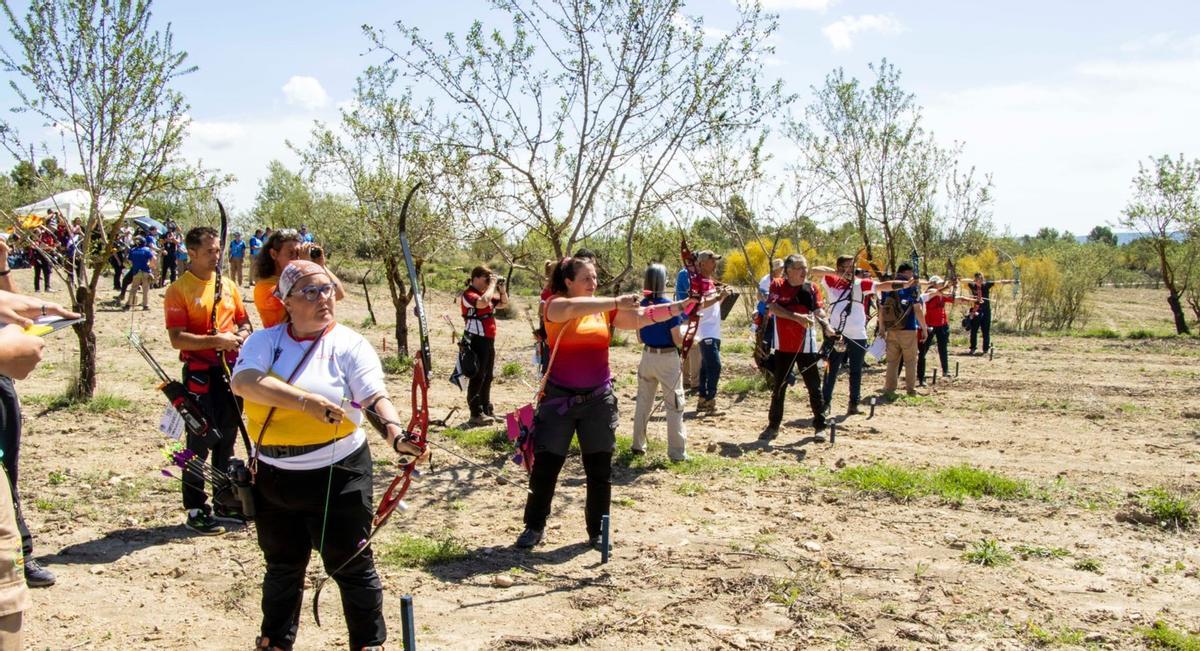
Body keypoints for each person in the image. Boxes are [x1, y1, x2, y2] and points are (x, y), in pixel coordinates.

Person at [231, 260, 424, 651]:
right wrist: (305, 402)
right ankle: (275, 642)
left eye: (327, 290)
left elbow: (372, 397)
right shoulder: (263, 342)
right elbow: (245, 381)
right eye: (311, 291)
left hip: (338, 472)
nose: (325, 298)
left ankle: (369, 644)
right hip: (273, 474)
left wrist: (397, 434)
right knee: (283, 566)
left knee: (351, 564)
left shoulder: (349, 344)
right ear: (286, 302)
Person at [516, 256, 693, 550]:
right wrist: (615, 301)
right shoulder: (553, 305)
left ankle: (598, 530)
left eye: (595, 278)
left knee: (599, 469)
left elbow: (642, 317)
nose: (593, 283)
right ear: (568, 282)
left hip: (598, 401)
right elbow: (572, 309)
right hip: (559, 400)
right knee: (547, 467)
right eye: (586, 278)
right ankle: (533, 526)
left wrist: (679, 306)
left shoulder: (603, 311)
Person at [164, 227, 253, 535]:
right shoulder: (179, 290)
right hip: (199, 376)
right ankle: (195, 507)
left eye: (218, 250)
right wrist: (215, 340)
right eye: (210, 252)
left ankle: (224, 500)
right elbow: (177, 339)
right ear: (192, 253)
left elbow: (244, 322)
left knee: (227, 438)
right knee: (199, 442)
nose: (217, 256)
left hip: (230, 374)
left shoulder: (227, 285)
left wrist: (239, 337)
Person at [763, 254, 832, 439]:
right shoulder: (777, 285)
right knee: (779, 386)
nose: (805, 271)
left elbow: (818, 310)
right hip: (783, 346)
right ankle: (773, 426)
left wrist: (826, 325)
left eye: (806, 267)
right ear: (789, 270)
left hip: (806, 346)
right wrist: (796, 317)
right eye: (800, 268)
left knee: (814, 386)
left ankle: (820, 425)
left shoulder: (811, 288)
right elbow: (773, 307)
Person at [631, 264, 689, 461]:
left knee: (643, 402)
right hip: (667, 359)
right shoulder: (668, 307)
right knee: (674, 405)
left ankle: (638, 445)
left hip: (647, 356)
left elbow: (639, 338)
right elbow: (677, 339)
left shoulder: (640, 306)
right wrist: (690, 338)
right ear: (663, 281)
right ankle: (677, 453)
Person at [811, 256, 875, 415]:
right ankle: (825, 404)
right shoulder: (832, 280)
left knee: (856, 370)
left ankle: (854, 404)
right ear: (839, 267)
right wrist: (839, 273)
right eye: (846, 266)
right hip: (837, 333)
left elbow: (883, 286)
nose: (850, 270)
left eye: (852, 267)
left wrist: (907, 283)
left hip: (858, 333)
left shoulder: (860, 283)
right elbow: (814, 270)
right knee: (831, 369)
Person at [253, 229, 345, 329]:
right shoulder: (264, 288)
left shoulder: (299, 278)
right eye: (291, 253)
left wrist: (321, 266)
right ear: (274, 254)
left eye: (298, 253)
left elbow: (339, 293)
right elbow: (304, 308)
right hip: (279, 341)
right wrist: (305, 266)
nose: (297, 259)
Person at [460, 266, 509, 426]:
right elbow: (482, 303)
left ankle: (487, 409)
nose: (487, 282)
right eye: (485, 279)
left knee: (488, 376)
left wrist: (501, 289)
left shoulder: (484, 294)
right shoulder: (469, 294)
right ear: (476, 278)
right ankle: (475, 413)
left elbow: (503, 303)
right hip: (475, 339)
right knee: (477, 375)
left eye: (489, 279)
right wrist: (492, 284)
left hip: (488, 340)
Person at [878, 263, 928, 396]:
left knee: (892, 361)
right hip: (908, 328)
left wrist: (882, 327)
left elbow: (881, 309)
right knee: (910, 361)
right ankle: (911, 389)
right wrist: (924, 327)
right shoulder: (912, 287)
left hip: (892, 329)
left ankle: (889, 388)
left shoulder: (888, 286)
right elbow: (917, 309)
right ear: (907, 272)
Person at [692, 251, 732, 415]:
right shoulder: (697, 282)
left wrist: (723, 296)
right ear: (702, 263)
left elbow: (713, 305)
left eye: (715, 260)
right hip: (705, 330)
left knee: (706, 366)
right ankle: (710, 400)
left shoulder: (709, 281)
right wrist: (718, 297)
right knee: (715, 365)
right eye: (711, 261)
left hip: (714, 331)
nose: (715, 264)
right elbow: (697, 305)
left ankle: (703, 399)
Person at [917, 276, 961, 385]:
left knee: (943, 348)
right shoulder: (930, 291)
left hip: (942, 325)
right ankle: (919, 372)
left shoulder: (941, 294)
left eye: (941, 283)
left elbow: (952, 299)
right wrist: (948, 286)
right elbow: (937, 292)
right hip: (930, 325)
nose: (941, 284)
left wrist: (954, 288)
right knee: (923, 350)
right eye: (939, 283)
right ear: (933, 283)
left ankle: (945, 371)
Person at [962, 272, 1016, 355]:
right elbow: (962, 280)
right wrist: (973, 281)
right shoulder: (973, 286)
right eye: (978, 279)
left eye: (981, 278)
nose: (980, 280)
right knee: (974, 331)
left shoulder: (986, 285)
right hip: (976, 310)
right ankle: (973, 348)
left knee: (986, 331)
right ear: (975, 279)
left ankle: (985, 349)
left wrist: (1011, 281)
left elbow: (999, 282)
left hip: (986, 311)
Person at [674, 265, 701, 392]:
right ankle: (694, 382)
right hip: (686, 316)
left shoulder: (692, 274)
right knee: (693, 348)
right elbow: (692, 291)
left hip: (691, 316)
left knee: (689, 348)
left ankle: (687, 380)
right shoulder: (685, 274)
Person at [124, 237, 155, 311]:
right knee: (145, 289)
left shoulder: (133, 250)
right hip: (145, 271)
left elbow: (129, 260)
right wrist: (151, 266)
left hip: (136, 271)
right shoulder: (147, 250)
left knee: (133, 288)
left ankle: (129, 304)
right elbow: (154, 258)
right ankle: (145, 305)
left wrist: (134, 265)